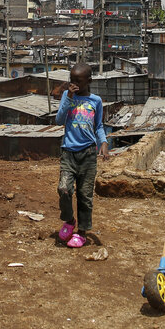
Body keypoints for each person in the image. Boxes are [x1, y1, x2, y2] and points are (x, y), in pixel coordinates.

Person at [54, 63, 110, 248]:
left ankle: (82, 232)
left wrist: (103, 142)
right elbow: (59, 119)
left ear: (89, 81)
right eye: (71, 81)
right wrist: (69, 97)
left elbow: (99, 126)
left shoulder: (96, 101)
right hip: (68, 152)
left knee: (85, 196)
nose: (74, 85)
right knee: (64, 189)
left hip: (88, 154)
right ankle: (69, 220)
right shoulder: (67, 96)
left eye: (78, 81)